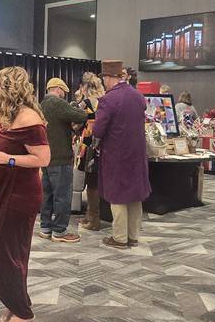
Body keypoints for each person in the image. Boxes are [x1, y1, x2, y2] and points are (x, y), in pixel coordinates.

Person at [0, 66, 50, 322]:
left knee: (11, 254)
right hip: (5, 189)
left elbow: (42, 159)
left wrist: (4, 159)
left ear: (6, 88)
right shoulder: (8, 115)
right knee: (3, 252)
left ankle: (23, 313)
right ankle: (14, 303)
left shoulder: (29, 117)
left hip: (21, 194)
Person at [94, 60, 151, 249]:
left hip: (116, 154)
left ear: (109, 78)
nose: (103, 83)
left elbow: (98, 129)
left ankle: (119, 237)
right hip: (137, 154)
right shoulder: (138, 96)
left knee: (117, 195)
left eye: (104, 79)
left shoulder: (108, 99)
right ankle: (133, 236)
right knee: (135, 195)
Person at [38, 77, 87, 243]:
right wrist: (77, 106)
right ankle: (59, 231)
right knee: (62, 195)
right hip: (60, 157)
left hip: (45, 157)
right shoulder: (58, 103)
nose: (64, 95)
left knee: (47, 194)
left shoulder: (41, 104)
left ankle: (45, 228)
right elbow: (80, 116)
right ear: (58, 89)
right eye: (63, 92)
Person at [76, 72, 106, 231]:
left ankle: (94, 219)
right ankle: (90, 215)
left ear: (85, 87)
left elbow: (75, 120)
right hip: (103, 145)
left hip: (89, 145)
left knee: (91, 183)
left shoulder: (86, 102)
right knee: (94, 182)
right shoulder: (105, 100)